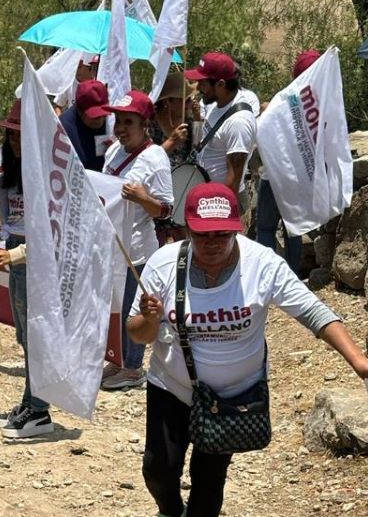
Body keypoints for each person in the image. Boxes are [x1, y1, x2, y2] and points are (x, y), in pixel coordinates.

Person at [129, 182, 368, 517]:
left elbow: (313, 313)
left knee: (211, 474)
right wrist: (150, 318)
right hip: (172, 386)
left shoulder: (263, 264)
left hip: (234, 395)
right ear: (187, 230)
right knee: (158, 466)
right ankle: (170, 509)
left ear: (236, 228)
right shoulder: (163, 264)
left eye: (221, 233)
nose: (211, 243)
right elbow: (138, 335)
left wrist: (359, 362)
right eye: (202, 234)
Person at [0, 99, 53, 440]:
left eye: (21, 136)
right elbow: (10, 221)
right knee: (24, 334)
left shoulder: (44, 178)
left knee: (35, 334)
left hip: (33, 258)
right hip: (17, 253)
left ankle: (40, 409)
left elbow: (49, 233)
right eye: (11, 136)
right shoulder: (9, 177)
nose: (15, 142)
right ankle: (31, 400)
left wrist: (17, 255)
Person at [99, 90, 174, 391]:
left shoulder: (155, 158)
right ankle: (117, 360)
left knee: (134, 305)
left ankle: (133, 368)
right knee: (115, 304)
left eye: (128, 121)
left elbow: (166, 209)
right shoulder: (113, 152)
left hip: (139, 249)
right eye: (118, 120)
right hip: (112, 245)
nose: (121, 128)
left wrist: (144, 199)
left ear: (144, 124)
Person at [254, 49, 320, 274]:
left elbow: (264, 130)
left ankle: (269, 275)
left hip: (273, 175)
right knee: (293, 227)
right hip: (300, 176)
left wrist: (264, 111)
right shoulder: (320, 104)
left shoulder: (283, 99)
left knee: (265, 228)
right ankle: (292, 275)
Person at [184, 52, 257, 196]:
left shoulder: (238, 122)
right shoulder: (214, 103)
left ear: (220, 84)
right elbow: (198, 144)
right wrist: (197, 118)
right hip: (205, 192)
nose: (198, 88)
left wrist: (217, 215)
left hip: (220, 202)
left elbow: (232, 183)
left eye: (203, 83)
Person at [153, 69, 207, 244]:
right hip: (158, 192)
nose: (190, 103)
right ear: (168, 101)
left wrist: (198, 119)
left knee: (183, 243)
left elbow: (197, 146)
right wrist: (171, 141)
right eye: (185, 100)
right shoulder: (151, 124)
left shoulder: (189, 122)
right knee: (158, 241)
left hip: (182, 189)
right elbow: (148, 159)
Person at [59, 79, 111, 171]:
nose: (100, 120)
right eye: (94, 116)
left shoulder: (111, 122)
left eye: (103, 114)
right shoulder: (63, 131)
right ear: (79, 110)